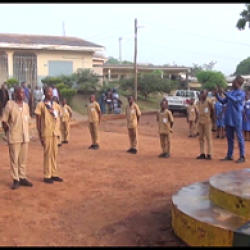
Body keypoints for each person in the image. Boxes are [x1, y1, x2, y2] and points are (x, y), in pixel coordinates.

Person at [1, 86, 33, 190]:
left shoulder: (26, 106)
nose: (22, 95)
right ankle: (16, 179)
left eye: (23, 93)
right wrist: (8, 133)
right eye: (20, 93)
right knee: (14, 159)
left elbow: (27, 120)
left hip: (25, 136)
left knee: (23, 159)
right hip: (14, 136)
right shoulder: (10, 104)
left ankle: (22, 177)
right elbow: (4, 121)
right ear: (15, 94)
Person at [34, 87, 63, 184]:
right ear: (45, 93)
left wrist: (59, 132)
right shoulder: (41, 105)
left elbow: (59, 117)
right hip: (46, 132)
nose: (50, 93)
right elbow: (38, 120)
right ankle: (47, 175)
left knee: (54, 154)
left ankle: (54, 173)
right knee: (47, 154)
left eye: (51, 91)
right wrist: (40, 134)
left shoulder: (56, 105)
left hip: (55, 133)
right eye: (48, 92)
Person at [215, 75, 246, 163]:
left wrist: (225, 93)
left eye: (234, 82)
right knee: (229, 138)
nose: (232, 83)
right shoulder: (231, 92)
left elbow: (235, 100)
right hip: (229, 118)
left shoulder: (241, 93)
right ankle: (229, 155)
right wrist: (217, 94)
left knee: (239, 137)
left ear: (238, 83)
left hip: (236, 118)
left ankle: (242, 156)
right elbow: (223, 101)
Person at [196, 90, 214, 160]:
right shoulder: (198, 102)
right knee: (201, 138)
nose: (201, 94)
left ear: (206, 94)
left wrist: (213, 121)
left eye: (202, 93)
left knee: (208, 137)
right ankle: (202, 153)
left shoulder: (209, 102)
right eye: (200, 93)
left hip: (207, 121)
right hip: (200, 121)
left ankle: (209, 153)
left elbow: (212, 111)